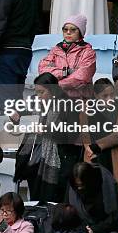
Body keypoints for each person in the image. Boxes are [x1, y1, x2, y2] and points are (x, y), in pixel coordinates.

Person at [14, 73, 81, 203]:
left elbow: (71, 134)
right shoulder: (35, 102)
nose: (38, 96)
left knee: (53, 197)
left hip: (58, 158)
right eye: (36, 92)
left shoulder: (67, 105)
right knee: (35, 193)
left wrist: (46, 131)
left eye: (42, 92)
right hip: (35, 157)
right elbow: (25, 117)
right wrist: (17, 117)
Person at [81, 79, 118, 199]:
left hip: (115, 154)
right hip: (94, 154)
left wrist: (98, 145)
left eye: (112, 95)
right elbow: (85, 133)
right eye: (105, 96)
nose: (110, 99)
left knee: (115, 192)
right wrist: (89, 148)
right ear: (96, 96)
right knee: (95, 192)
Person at [66, 162, 118, 233]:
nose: (79, 189)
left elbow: (115, 216)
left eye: (81, 185)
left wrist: (95, 229)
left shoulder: (106, 184)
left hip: (105, 230)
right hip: (81, 230)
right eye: (77, 186)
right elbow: (68, 212)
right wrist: (83, 229)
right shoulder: (73, 188)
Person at [39, 15, 96, 98]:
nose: (68, 32)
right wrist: (66, 72)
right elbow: (43, 69)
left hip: (79, 100)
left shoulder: (88, 52)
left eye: (73, 30)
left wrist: (55, 86)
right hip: (57, 99)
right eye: (65, 29)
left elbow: (81, 77)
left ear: (80, 32)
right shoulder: (56, 49)